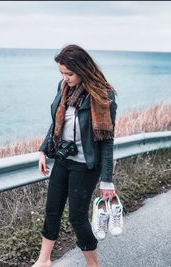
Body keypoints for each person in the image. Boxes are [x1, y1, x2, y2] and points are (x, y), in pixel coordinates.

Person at [33, 44, 118, 267]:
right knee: (52, 211)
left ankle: (93, 264)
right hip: (63, 159)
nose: (64, 78)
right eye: (61, 73)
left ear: (82, 69)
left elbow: (107, 142)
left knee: (77, 218)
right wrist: (43, 149)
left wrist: (107, 180)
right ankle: (43, 260)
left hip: (85, 165)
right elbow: (56, 125)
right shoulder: (64, 88)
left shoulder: (103, 96)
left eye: (68, 73)